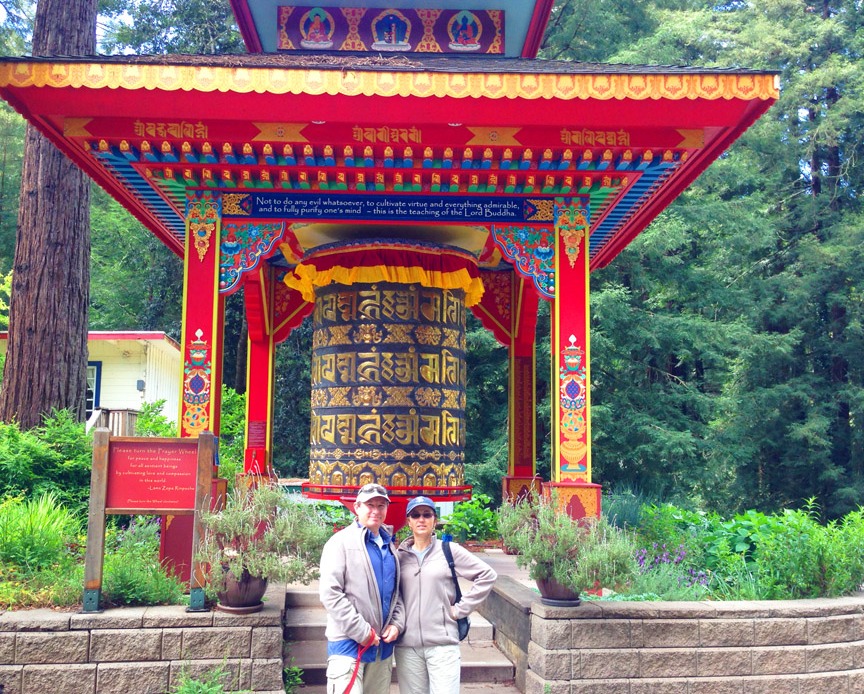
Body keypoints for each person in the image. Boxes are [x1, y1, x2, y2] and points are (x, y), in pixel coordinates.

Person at [395, 496, 497, 694]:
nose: (421, 519)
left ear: (435, 520)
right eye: (415, 515)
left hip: (442, 644)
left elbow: (487, 574)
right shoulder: (399, 556)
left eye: (427, 514)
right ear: (409, 521)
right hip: (407, 646)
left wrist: (460, 610)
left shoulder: (449, 550)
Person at [319, 482, 404, 694]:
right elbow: (331, 594)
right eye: (370, 505)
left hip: (381, 648)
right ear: (357, 507)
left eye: (381, 505)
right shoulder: (339, 543)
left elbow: (397, 594)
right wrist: (362, 632)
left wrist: (397, 623)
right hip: (348, 647)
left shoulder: (388, 545)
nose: (375, 511)